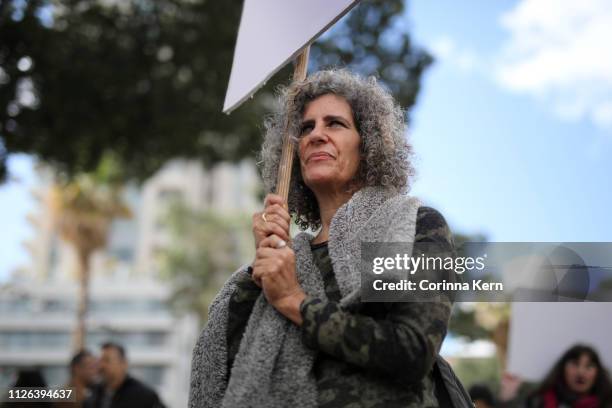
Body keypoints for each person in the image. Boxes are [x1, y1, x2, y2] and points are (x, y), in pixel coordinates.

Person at [189, 69, 471, 407]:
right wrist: (259, 273)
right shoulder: (279, 264)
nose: (315, 136)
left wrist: (295, 302)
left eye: (334, 124)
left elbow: (412, 349)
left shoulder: (416, 225)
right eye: (306, 128)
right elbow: (226, 371)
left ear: (368, 144)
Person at [500, 344, 612, 407]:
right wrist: (508, 396)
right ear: (563, 368)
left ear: (598, 372)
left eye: (589, 366)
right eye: (575, 364)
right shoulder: (537, 400)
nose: (581, 372)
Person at [88, 342, 164, 408]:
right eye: (100, 360)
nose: (101, 365)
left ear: (124, 364)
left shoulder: (143, 395)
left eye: (107, 360)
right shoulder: (95, 392)